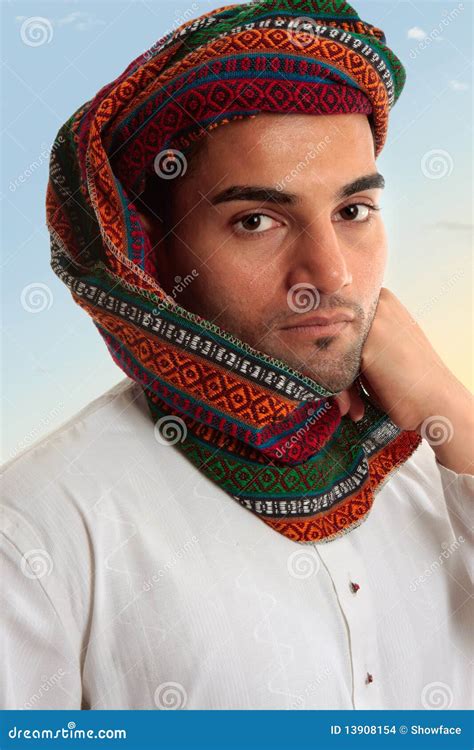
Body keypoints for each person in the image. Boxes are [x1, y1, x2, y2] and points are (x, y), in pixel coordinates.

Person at [2, 0, 472, 711]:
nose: (333, 276)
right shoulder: (41, 530)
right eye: (256, 221)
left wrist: (449, 412)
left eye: (353, 212)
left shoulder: (435, 470)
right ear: (150, 255)